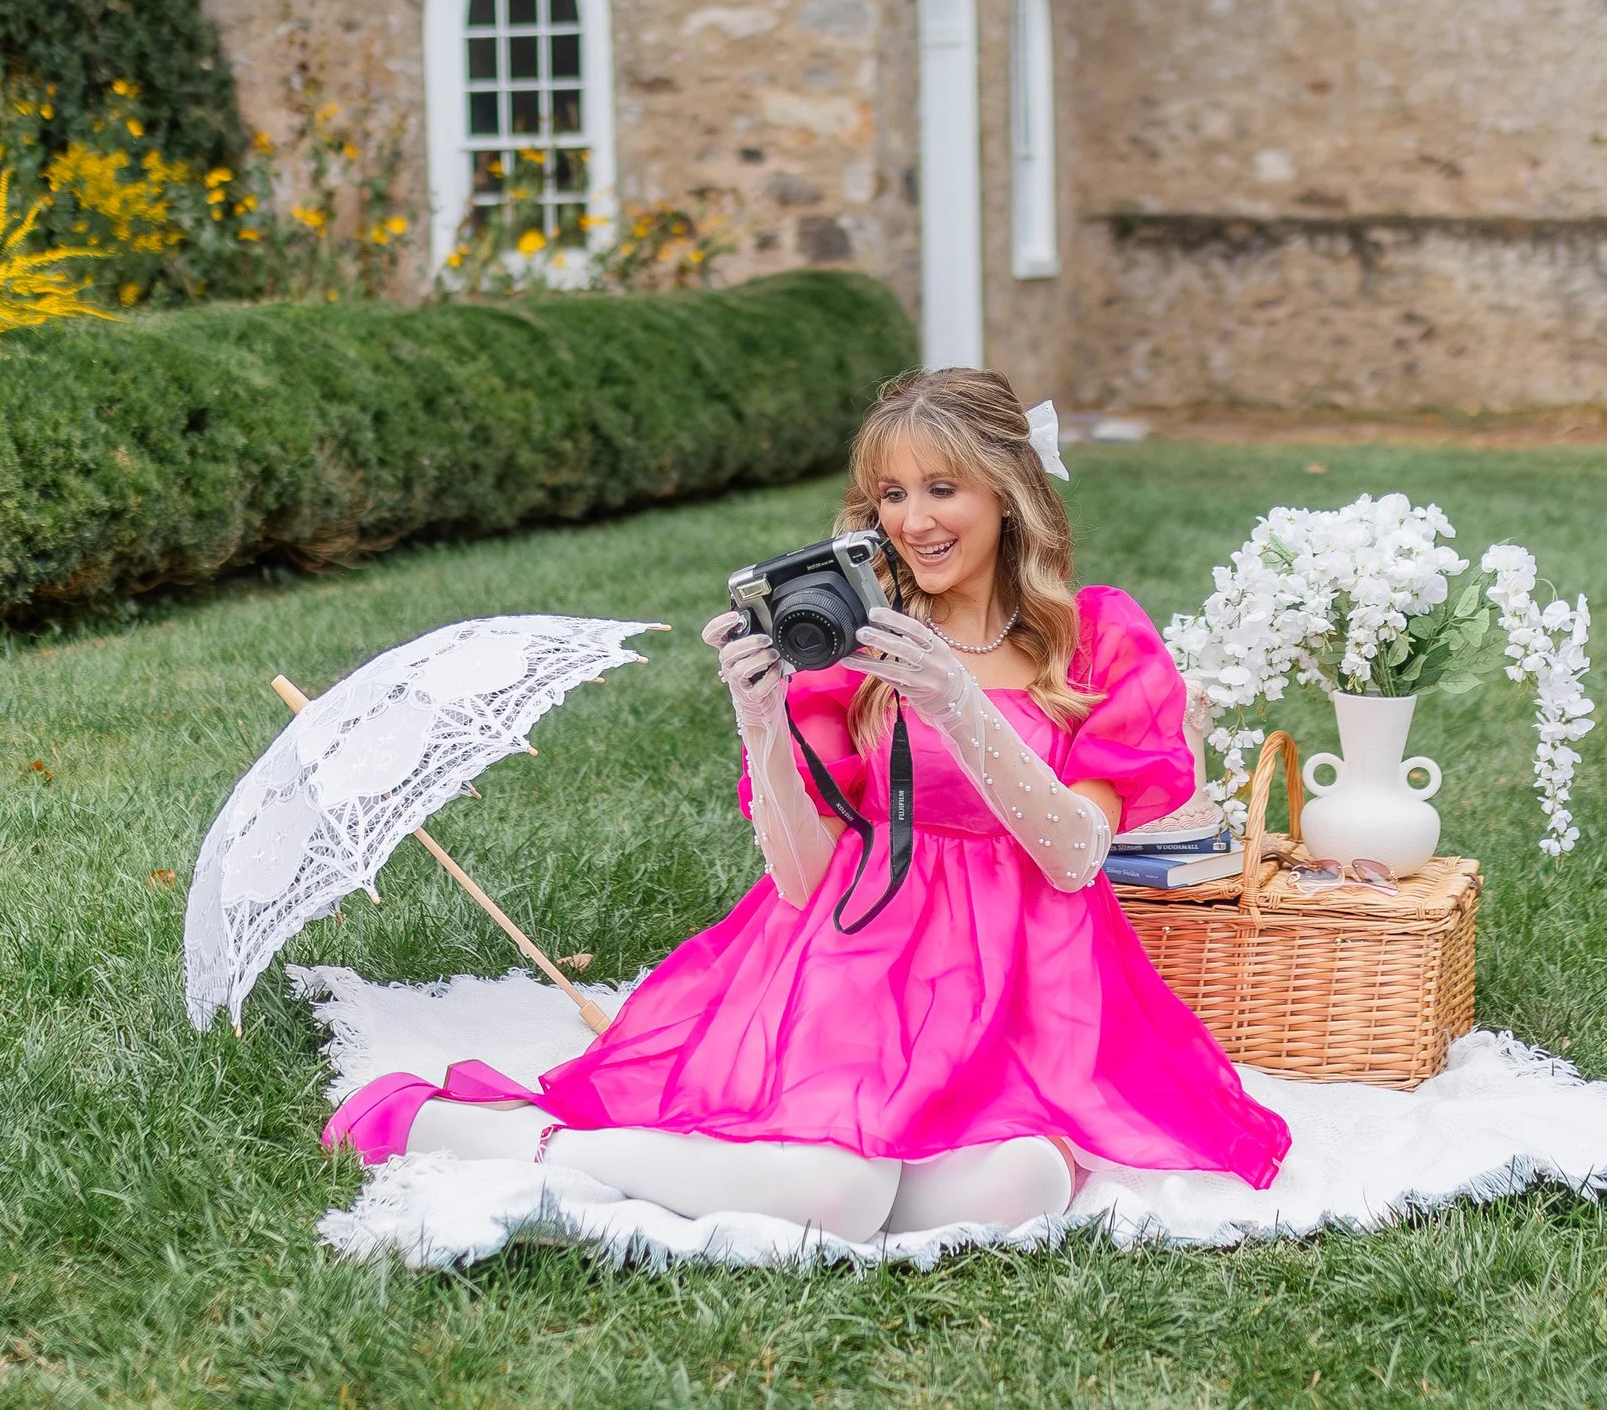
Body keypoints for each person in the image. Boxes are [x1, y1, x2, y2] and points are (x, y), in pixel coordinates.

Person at [326, 369, 1291, 1241]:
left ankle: (790, 1181)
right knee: (841, 1193)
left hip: (1024, 979)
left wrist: (959, 707)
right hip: (867, 957)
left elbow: (1075, 857)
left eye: (942, 488)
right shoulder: (856, 642)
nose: (914, 520)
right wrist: (762, 725)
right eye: (891, 494)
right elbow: (800, 876)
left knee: (1025, 1181)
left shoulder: (1095, 636)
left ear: (1007, 491)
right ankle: (514, 1141)